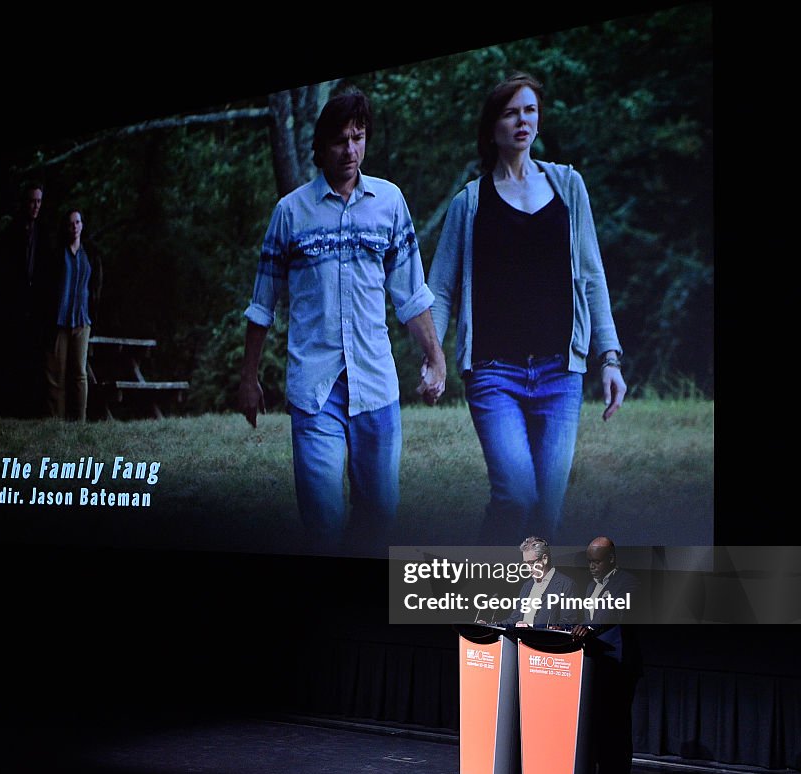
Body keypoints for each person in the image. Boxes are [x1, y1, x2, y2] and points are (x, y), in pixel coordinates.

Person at [239, 90, 446, 555]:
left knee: (380, 513)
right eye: (339, 141)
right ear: (320, 147)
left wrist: (435, 359)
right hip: (316, 389)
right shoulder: (290, 213)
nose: (350, 150)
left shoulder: (389, 203)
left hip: (376, 385)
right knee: (323, 521)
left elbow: (411, 294)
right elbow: (262, 304)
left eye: (358, 137)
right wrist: (248, 378)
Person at [428, 73, 627, 545]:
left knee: (546, 518)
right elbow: (439, 289)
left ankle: (526, 614)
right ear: (492, 126)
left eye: (530, 110)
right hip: (495, 374)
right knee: (516, 496)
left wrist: (610, 358)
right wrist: (434, 360)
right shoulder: (470, 203)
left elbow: (592, 276)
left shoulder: (568, 187)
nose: (523, 121)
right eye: (511, 112)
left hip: (561, 375)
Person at [572, 536, 643, 774]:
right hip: (596, 666)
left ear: (611, 559)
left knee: (616, 734)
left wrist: (590, 628)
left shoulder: (627, 582)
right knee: (599, 732)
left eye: (597, 561)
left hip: (619, 667)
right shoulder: (592, 586)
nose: (591, 566)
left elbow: (614, 611)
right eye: (589, 561)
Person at [0, 180, 50, 416]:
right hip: (13, 306)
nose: (35, 206)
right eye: (32, 201)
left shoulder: (43, 233)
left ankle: (28, 408)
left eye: (39, 201)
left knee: (32, 359)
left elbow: (45, 272)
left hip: (34, 308)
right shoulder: (11, 232)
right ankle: (9, 406)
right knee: (12, 356)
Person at [45, 208, 102, 421]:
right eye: (71, 223)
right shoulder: (57, 253)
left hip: (82, 320)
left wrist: (95, 315)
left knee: (80, 373)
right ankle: (56, 420)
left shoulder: (91, 253)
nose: (75, 227)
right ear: (66, 227)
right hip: (59, 320)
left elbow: (96, 286)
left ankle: (80, 421)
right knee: (55, 374)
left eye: (78, 222)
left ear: (82, 225)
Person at [502, 535, 579, 627]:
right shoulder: (527, 586)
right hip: (523, 640)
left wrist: (535, 630)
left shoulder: (566, 584)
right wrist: (490, 625)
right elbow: (515, 618)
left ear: (544, 559)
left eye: (531, 563)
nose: (527, 568)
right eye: (525, 564)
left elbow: (568, 621)